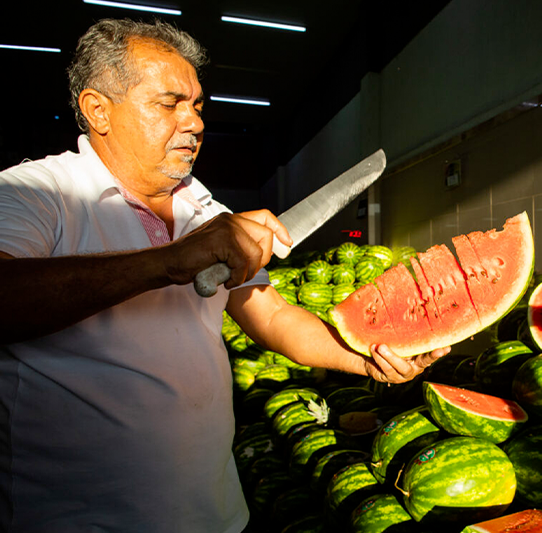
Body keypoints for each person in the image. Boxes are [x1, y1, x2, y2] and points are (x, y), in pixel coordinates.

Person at [0, 18, 449, 533]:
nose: (193, 123)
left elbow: (273, 316)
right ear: (98, 110)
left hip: (212, 511)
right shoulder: (35, 191)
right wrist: (167, 261)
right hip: (80, 519)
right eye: (169, 104)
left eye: (196, 106)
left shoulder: (199, 202)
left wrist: (367, 355)